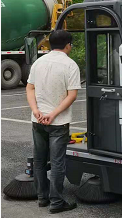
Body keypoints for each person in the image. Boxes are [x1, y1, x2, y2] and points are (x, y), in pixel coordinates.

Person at [26, 30, 81, 214]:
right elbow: (72, 95)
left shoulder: (38, 62)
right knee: (57, 163)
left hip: (37, 120)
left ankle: (42, 198)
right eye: (71, 45)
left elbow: (30, 88)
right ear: (67, 45)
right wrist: (54, 114)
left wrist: (36, 111)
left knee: (39, 160)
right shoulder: (70, 65)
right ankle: (56, 202)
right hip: (58, 123)